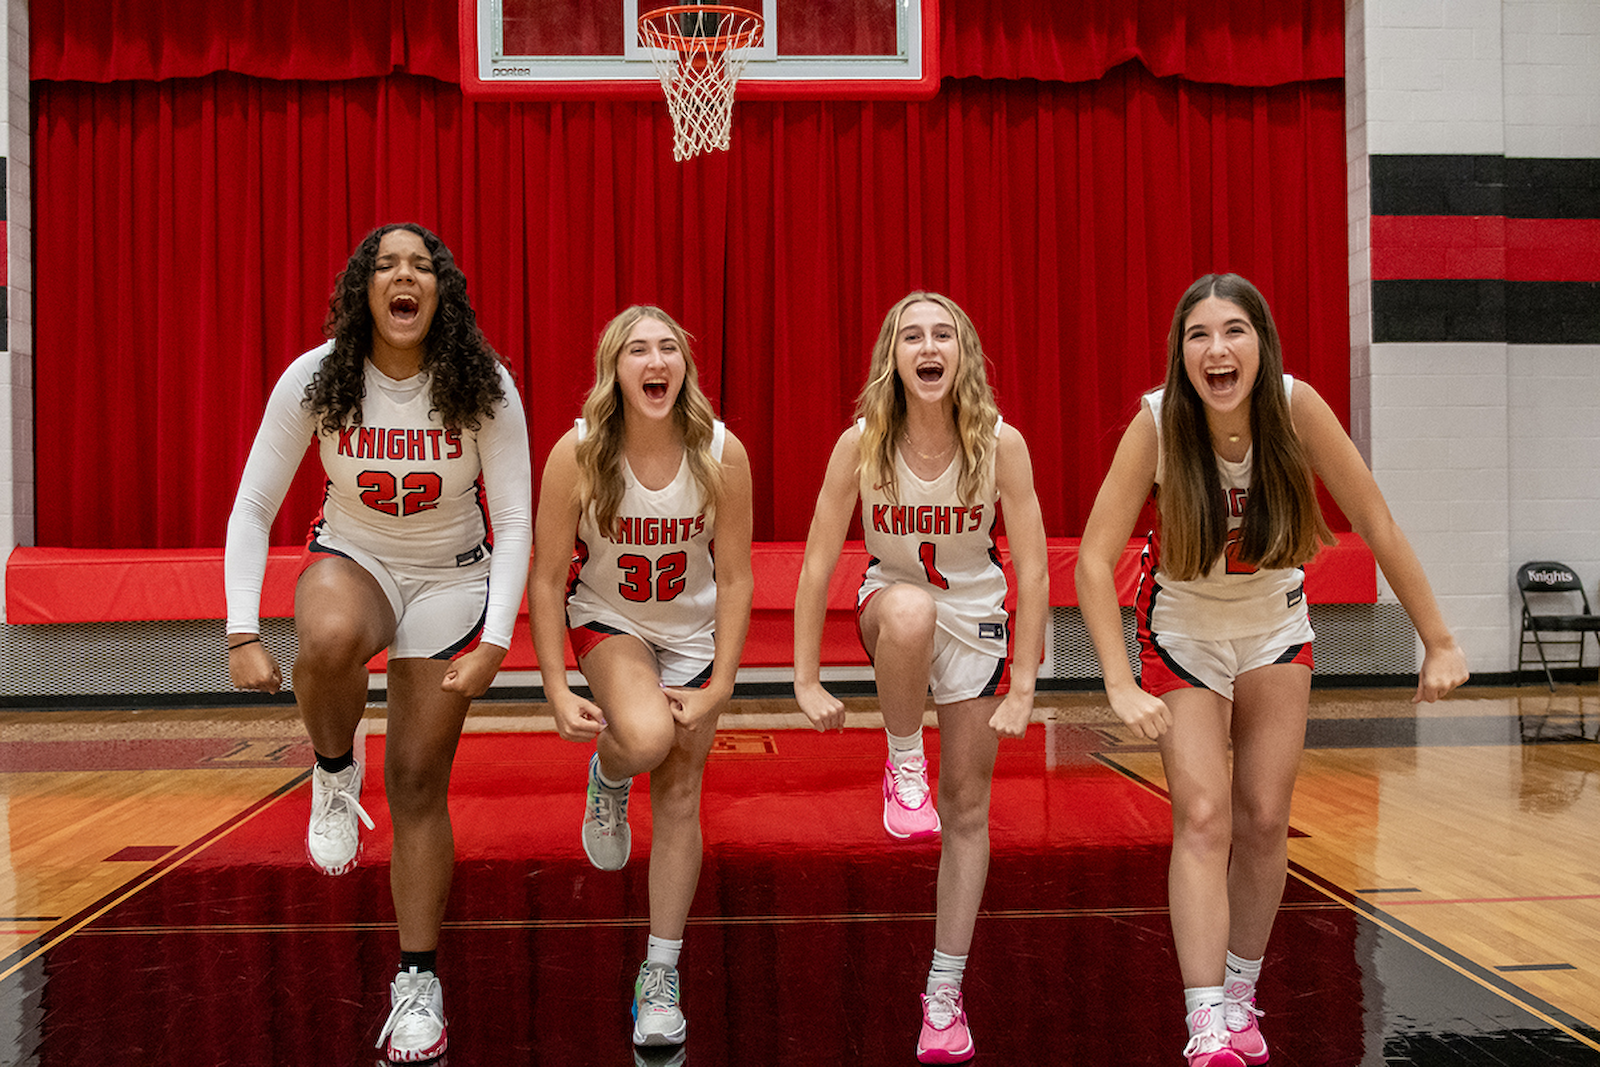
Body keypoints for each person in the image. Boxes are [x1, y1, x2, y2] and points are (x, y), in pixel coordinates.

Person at [1075, 273, 1469, 1067]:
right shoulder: (1158, 421)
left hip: (1274, 628)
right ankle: (1204, 1019)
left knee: (1262, 818)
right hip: (1183, 632)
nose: (1216, 348)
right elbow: (1091, 557)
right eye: (1198, 334)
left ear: (1262, 343)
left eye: (1234, 330)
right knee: (1203, 816)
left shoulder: (1295, 409)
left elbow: (1375, 520)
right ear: (1180, 352)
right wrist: (1117, 679)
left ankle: (1240, 987)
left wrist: (1438, 638)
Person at [224, 223, 532, 1063]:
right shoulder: (318, 377)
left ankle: (419, 981)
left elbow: (514, 521)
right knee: (325, 637)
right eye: (387, 264)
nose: (404, 276)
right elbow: (254, 505)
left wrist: (496, 639)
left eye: (421, 266)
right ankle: (332, 772)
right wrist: (242, 628)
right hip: (355, 559)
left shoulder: (483, 382)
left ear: (441, 290)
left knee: (419, 782)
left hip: (452, 578)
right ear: (364, 288)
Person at [793, 292, 1048, 1064]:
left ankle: (944, 992)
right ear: (893, 357)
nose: (928, 346)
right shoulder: (861, 443)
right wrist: (805, 676)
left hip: (979, 621)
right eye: (912, 336)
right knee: (909, 607)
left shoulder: (1001, 443)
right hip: (894, 609)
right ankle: (903, 763)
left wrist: (1025, 683)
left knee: (967, 808)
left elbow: (1034, 567)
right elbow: (816, 561)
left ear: (962, 353)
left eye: (943, 335)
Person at [529, 305, 753, 1050]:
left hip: (691, 632)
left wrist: (722, 683)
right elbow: (546, 576)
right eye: (637, 350)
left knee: (683, 796)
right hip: (609, 620)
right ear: (614, 370)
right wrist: (557, 687)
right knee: (648, 736)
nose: (655, 361)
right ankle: (610, 771)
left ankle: (660, 975)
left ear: (683, 366)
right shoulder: (579, 451)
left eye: (668, 349)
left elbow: (736, 576)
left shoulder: (720, 451)